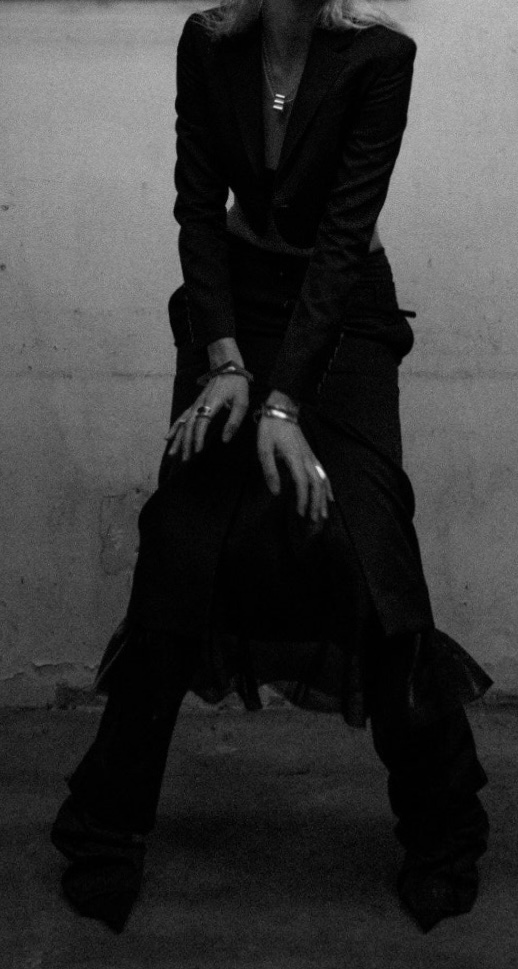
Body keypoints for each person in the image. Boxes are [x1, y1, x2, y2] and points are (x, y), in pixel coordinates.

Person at [51, 0, 492, 935]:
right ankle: (105, 829)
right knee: (181, 543)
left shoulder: (380, 57)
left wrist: (283, 403)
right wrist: (225, 364)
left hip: (344, 318)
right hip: (233, 314)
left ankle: (445, 834)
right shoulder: (209, 44)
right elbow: (196, 207)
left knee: (372, 556)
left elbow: (341, 236)